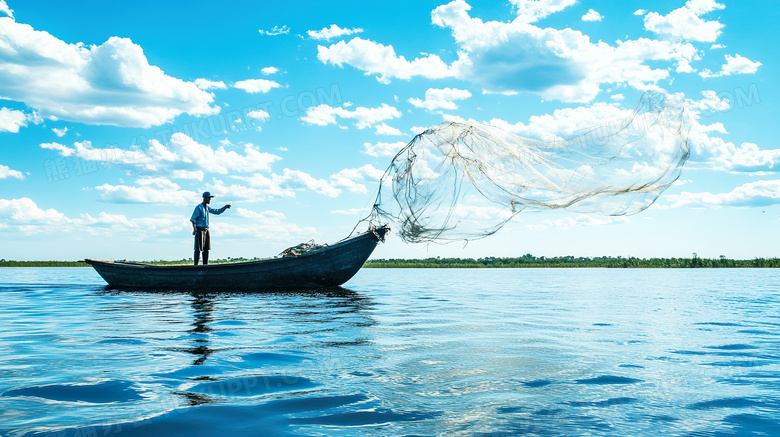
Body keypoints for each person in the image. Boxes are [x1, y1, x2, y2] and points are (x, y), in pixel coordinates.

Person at [190, 192, 231, 265]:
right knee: (198, 248)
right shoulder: (199, 207)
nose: (210, 200)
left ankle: (205, 265)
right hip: (200, 230)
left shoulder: (207, 208)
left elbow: (217, 212)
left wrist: (225, 207)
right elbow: (193, 219)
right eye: (209, 198)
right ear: (205, 198)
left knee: (206, 248)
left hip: (206, 229)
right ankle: (195, 265)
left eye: (210, 198)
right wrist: (195, 229)